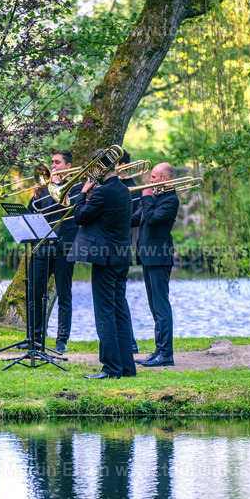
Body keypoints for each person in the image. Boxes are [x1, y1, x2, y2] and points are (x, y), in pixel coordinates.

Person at [67, 148, 136, 379]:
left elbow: (79, 216)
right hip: (122, 256)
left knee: (105, 313)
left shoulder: (102, 193)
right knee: (119, 311)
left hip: (105, 258)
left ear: (99, 166)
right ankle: (127, 368)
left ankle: (110, 368)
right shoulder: (125, 190)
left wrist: (84, 192)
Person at [29, 150, 83, 353]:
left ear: (68, 166)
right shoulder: (44, 187)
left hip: (64, 247)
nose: (53, 165)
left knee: (64, 295)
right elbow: (32, 212)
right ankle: (35, 338)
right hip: (42, 246)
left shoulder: (77, 187)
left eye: (57, 162)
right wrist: (36, 194)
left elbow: (76, 212)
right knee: (35, 293)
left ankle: (62, 340)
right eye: (52, 162)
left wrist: (61, 186)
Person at [132, 162, 179, 367]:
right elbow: (135, 219)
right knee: (154, 307)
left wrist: (147, 198)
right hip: (148, 256)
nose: (148, 181)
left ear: (164, 179)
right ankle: (159, 350)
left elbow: (151, 219)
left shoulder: (171, 200)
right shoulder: (156, 198)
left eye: (152, 177)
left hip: (160, 257)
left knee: (161, 307)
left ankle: (166, 354)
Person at [114, 151, 141, 355]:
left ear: (122, 165)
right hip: (112, 245)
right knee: (115, 298)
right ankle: (126, 342)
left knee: (118, 298)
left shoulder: (133, 188)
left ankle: (129, 342)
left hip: (120, 245)